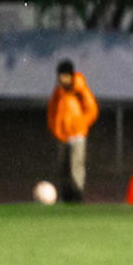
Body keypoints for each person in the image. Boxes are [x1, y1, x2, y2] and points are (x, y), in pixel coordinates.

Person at [46, 59, 99, 203]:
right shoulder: (59, 92)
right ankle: (66, 195)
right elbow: (52, 112)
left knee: (76, 165)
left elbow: (92, 110)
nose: (61, 79)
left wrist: (80, 125)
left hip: (77, 135)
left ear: (70, 75)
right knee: (63, 166)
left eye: (63, 76)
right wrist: (55, 128)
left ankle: (77, 194)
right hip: (62, 135)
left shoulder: (80, 90)